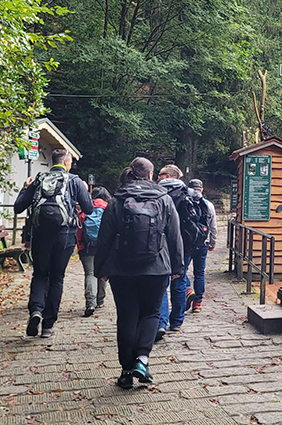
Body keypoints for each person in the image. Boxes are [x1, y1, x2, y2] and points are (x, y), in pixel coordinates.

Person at [94, 157, 183, 389]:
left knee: (127, 317)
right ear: (151, 174)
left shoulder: (117, 199)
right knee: (151, 313)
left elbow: (104, 237)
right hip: (156, 267)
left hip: (121, 269)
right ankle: (142, 360)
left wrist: (101, 269)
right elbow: (174, 235)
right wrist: (178, 267)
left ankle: (125, 371)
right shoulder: (163, 199)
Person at [14, 148, 93, 339]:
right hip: (65, 235)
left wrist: (25, 187)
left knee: (40, 274)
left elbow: (18, 207)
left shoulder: (39, 179)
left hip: (41, 234)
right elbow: (89, 209)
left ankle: (35, 311)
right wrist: (83, 190)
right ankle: (48, 325)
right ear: (66, 162)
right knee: (57, 277)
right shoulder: (74, 181)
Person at [155, 165, 202, 339]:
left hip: (161, 243)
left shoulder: (156, 192)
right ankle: (177, 321)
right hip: (186, 243)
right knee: (180, 280)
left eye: (160, 174)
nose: (157, 177)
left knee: (161, 282)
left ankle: (161, 322)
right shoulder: (190, 193)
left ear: (167, 176)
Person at [77, 187, 111, 317]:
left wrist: (80, 246)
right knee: (102, 272)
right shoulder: (109, 207)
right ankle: (100, 300)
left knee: (90, 274)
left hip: (87, 246)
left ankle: (90, 303)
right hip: (104, 246)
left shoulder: (87, 208)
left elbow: (79, 229)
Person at [185, 178, 216, 313]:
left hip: (187, 243)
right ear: (202, 189)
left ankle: (187, 289)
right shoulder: (208, 205)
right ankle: (197, 303)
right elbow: (213, 227)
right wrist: (212, 242)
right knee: (199, 273)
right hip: (202, 243)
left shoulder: (184, 202)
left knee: (181, 270)